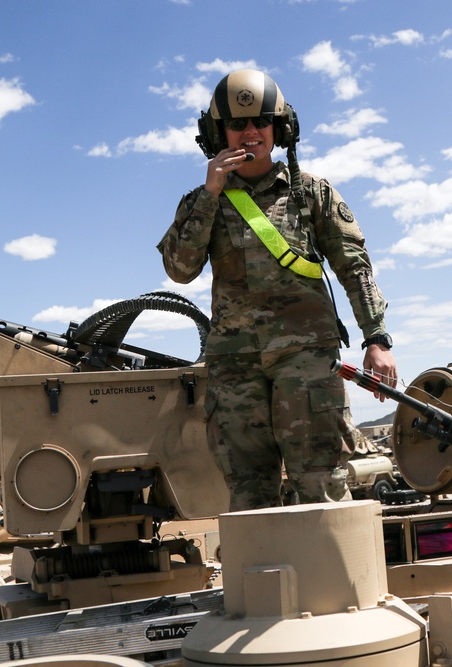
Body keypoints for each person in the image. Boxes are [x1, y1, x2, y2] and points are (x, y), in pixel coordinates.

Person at [157, 69, 397, 511]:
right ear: (218, 132)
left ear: (279, 128)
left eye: (260, 122)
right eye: (237, 125)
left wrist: (376, 338)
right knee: (248, 492)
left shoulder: (311, 194)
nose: (250, 132)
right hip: (235, 366)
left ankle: (329, 580)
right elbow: (179, 270)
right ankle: (260, 581)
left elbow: (354, 268)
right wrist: (211, 195)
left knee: (321, 484)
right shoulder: (200, 201)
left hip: (305, 360)